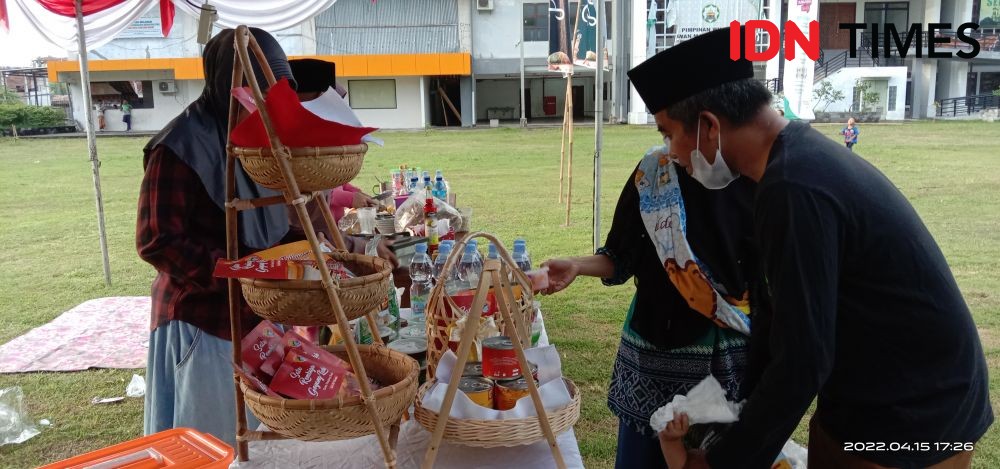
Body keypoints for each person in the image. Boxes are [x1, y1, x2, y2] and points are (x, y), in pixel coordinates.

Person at [627, 26, 992, 468]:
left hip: (915, 418)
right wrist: (738, 419)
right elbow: (774, 317)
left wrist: (722, 463)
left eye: (669, 135)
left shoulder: (795, 188)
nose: (672, 155)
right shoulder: (781, 171)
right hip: (869, 396)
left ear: (708, 126)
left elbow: (802, 360)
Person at [541, 129, 764, 465]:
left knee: (716, 457)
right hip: (651, 357)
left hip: (727, 362)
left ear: (708, 124)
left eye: (675, 132)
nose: (669, 147)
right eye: (664, 133)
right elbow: (620, 256)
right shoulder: (655, 172)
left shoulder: (756, 178)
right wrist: (575, 265)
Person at [288, 58, 377, 223]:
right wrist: (350, 199)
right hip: (309, 228)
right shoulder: (294, 138)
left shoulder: (321, 131)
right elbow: (314, 190)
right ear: (319, 97)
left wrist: (356, 193)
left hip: (332, 225)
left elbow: (335, 181)